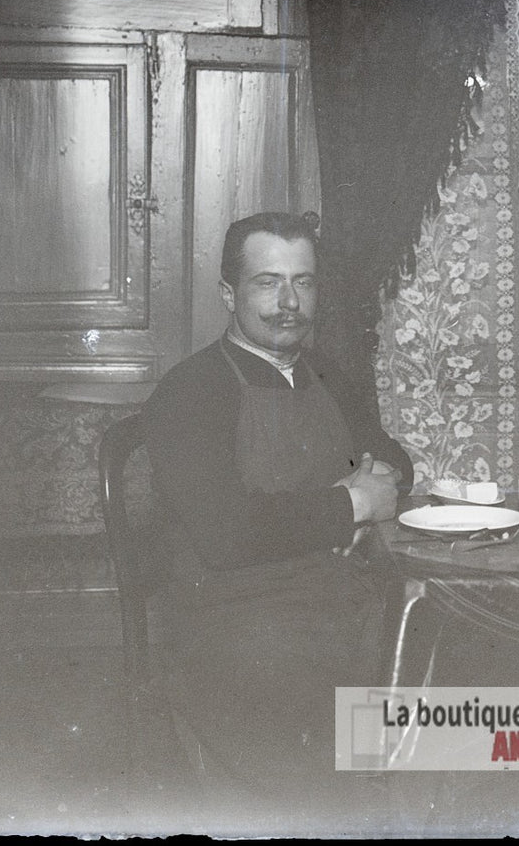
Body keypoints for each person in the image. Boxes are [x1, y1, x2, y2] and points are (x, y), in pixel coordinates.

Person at [143, 211, 413, 804]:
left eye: (304, 282)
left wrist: (368, 493)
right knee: (336, 772)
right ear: (228, 293)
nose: (290, 301)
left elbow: (393, 459)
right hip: (237, 618)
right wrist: (347, 508)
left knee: (452, 676)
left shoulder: (327, 373)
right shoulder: (192, 392)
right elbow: (225, 534)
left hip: (337, 597)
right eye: (268, 282)